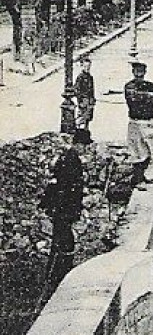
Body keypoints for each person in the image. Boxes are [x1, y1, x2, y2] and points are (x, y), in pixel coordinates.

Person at [41, 130, 89, 292]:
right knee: (64, 242)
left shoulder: (68, 158)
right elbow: (67, 189)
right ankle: (59, 276)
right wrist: (73, 211)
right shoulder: (71, 161)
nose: (85, 149)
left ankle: (54, 275)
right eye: (84, 145)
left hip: (62, 209)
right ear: (77, 144)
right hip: (64, 209)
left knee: (60, 241)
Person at [123, 59, 153, 192]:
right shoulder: (129, 86)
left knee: (150, 149)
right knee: (138, 151)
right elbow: (133, 99)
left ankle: (141, 176)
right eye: (136, 71)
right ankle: (137, 179)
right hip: (136, 121)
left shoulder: (150, 85)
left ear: (145, 72)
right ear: (133, 72)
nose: (139, 74)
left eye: (141, 71)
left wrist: (144, 96)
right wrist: (148, 96)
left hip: (149, 121)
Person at [73, 57, 96, 137]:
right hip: (83, 101)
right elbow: (76, 89)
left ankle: (85, 133)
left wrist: (93, 100)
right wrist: (81, 98)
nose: (87, 68)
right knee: (82, 117)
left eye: (89, 67)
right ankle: (78, 131)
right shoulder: (80, 77)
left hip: (89, 101)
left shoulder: (90, 77)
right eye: (85, 67)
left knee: (88, 118)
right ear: (82, 66)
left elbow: (92, 90)